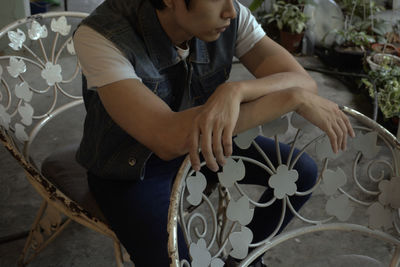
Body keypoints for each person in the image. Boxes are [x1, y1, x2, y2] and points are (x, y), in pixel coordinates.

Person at [73, 0, 355, 266]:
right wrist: (290, 98)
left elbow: (303, 82)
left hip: (204, 147)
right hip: (131, 166)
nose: (231, 11)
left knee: (298, 172)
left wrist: (236, 90)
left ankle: (243, 259)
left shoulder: (229, 17)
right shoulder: (102, 35)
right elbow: (168, 138)